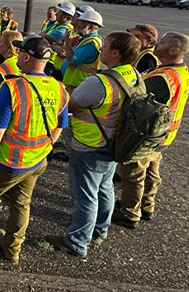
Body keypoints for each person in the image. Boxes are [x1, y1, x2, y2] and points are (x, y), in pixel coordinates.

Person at [0, 35, 68, 264]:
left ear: (27, 57)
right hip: (37, 159)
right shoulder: (59, 88)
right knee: (21, 202)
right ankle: (13, 247)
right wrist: (47, 147)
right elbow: (59, 126)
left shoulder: (13, 87)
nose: (16, 54)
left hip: (9, 160)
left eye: (20, 52)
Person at [45, 32, 141, 259]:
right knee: (104, 188)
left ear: (115, 52)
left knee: (86, 196)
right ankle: (100, 229)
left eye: (105, 46)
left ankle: (77, 241)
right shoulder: (134, 75)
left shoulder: (100, 82)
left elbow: (70, 105)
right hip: (116, 144)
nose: (101, 50)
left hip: (90, 145)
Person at [113, 32, 189, 228]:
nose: (158, 44)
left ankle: (129, 211)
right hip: (165, 134)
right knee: (152, 170)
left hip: (148, 135)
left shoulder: (164, 77)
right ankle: (148, 204)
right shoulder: (179, 71)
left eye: (163, 42)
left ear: (174, 50)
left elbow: (138, 99)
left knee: (133, 173)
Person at [61, 10, 104, 90]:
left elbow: (71, 61)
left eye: (82, 23)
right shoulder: (86, 39)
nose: (78, 25)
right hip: (75, 83)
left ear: (90, 27)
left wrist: (67, 41)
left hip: (77, 84)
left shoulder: (91, 43)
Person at [43, 2, 75, 80]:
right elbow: (41, 35)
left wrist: (50, 44)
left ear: (67, 17)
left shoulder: (64, 29)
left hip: (55, 65)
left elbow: (44, 38)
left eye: (59, 13)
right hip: (54, 64)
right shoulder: (57, 24)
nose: (56, 14)